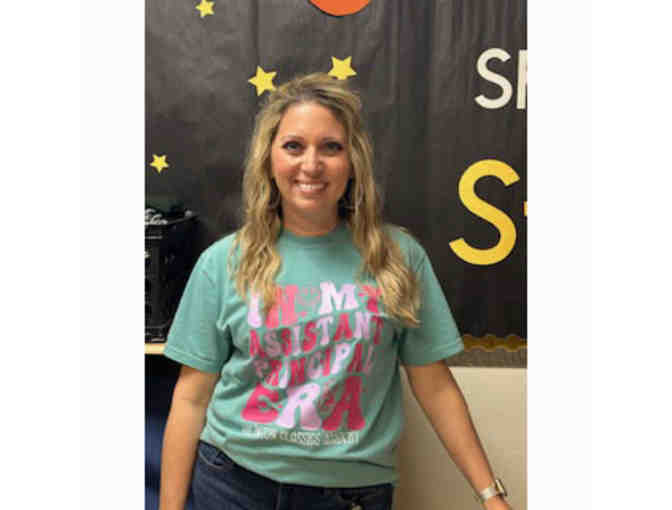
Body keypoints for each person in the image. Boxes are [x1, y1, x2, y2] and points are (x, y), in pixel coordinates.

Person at [159, 73, 512, 510]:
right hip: (233, 486)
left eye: (330, 147)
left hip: (350, 496)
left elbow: (436, 388)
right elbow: (191, 399)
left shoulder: (398, 258)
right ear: (269, 158)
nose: (311, 165)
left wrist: (490, 496)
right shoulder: (223, 262)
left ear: (353, 160)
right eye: (294, 146)